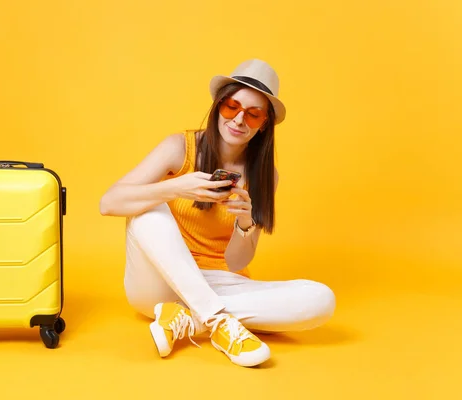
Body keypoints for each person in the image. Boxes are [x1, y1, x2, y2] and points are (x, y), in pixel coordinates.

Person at [99, 59, 336, 367]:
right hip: (159, 283)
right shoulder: (179, 147)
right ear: (218, 106)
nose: (239, 120)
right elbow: (109, 203)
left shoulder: (266, 176)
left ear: (264, 123)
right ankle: (217, 319)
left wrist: (244, 222)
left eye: (253, 114)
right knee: (149, 207)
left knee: (321, 299)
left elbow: (237, 262)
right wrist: (176, 188)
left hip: (220, 281)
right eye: (231, 107)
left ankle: (188, 319)